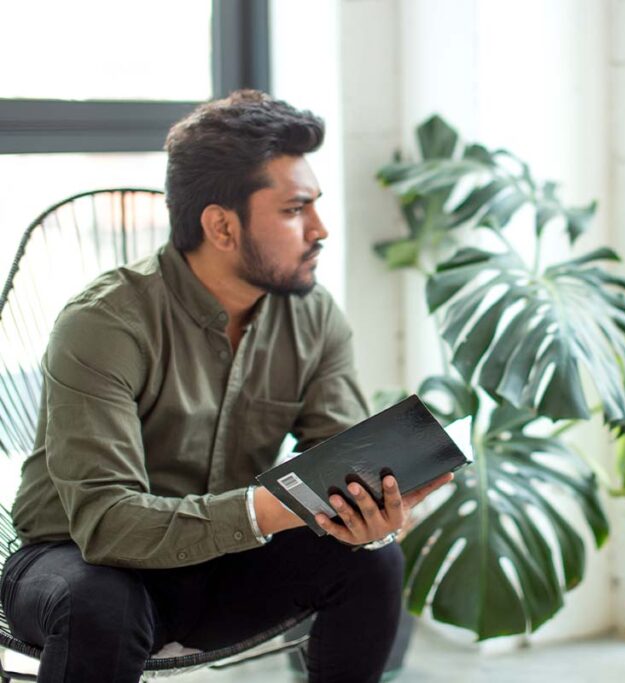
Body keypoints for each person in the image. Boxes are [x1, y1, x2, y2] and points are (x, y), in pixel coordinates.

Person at [0, 90, 451, 683]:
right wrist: (271, 508)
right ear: (221, 226)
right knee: (100, 607)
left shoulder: (312, 317)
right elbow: (107, 523)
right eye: (294, 211)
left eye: (315, 205)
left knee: (373, 564)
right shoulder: (105, 323)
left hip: (222, 565)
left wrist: (371, 514)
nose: (320, 229)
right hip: (78, 560)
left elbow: (343, 454)